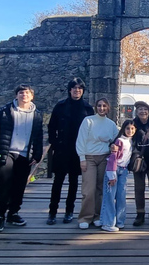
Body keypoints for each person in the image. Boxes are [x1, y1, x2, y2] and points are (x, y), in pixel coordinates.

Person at [0, 84, 43, 232]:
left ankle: (13, 213)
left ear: (32, 96)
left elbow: (38, 136)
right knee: (3, 185)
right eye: (21, 93)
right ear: (16, 95)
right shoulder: (4, 111)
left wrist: (37, 154)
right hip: (6, 152)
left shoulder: (36, 114)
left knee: (19, 186)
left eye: (27, 93)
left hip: (25, 154)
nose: (24, 95)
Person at [46, 78, 94, 225]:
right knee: (58, 182)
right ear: (69, 90)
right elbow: (51, 127)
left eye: (80, 88)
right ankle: (52, 212)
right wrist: (55, 144)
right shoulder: (60, 106)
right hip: (62, 149)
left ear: (83, 91)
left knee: (74, 182)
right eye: (74, 88)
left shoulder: (87, 109)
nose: (77, 90)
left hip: (78, 151)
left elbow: (91, 130)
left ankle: (69, 211)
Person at [76, 98, 118, 229]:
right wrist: (82, 158)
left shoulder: (111, 124)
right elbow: (81, 140)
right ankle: (85, 217)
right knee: (89, 189)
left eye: (104, 106)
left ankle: (98, 215)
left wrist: (113, 147)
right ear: (96, 107)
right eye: (99, 106)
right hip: (89, 158)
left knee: (101, 189)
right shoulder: (88, 121)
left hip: (104, 158)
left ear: (108, 108)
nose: (101, 108)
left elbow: (115, 141)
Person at [100, 120, 136, 232]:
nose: (130, 131)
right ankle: (107, 222)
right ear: (123, 129)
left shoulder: (132, 141)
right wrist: (111, 175)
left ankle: (120, 221)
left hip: (124, 171)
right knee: (110, 196)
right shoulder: (120, 141)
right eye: (127, 128)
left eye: (132, 129)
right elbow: (112, 158)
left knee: (121, 195)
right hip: (114, 169)